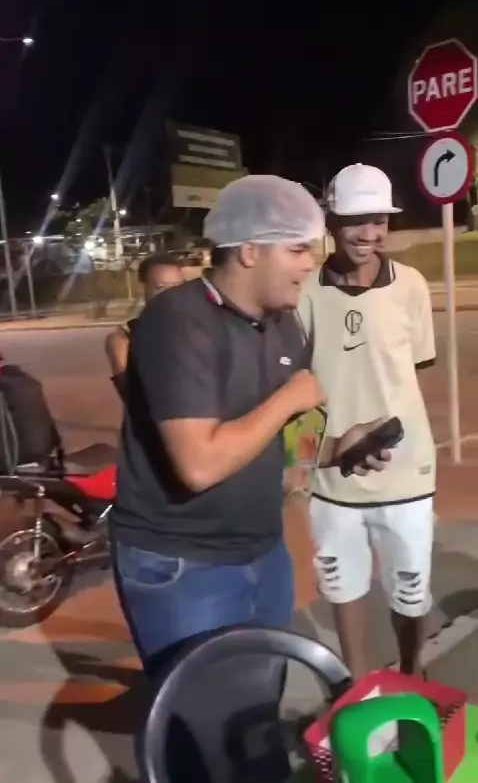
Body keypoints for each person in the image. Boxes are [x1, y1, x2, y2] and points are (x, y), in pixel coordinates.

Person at [110, 174, 390, 680]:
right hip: (183, 564)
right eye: (297, 249)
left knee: (258, 700)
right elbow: (199, 465)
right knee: (201, 713)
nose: (310, 263)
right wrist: (288, 399)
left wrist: (337, 448)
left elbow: (289, 445)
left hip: (263, 552)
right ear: (249, 251)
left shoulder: (283, 322)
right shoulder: (178, 321)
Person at [299, 163, 436, 680]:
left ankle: (413, 674)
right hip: (330, 475)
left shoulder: (412, 286)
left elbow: (412, 374)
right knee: (343, 588)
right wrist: (312, 453)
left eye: (378, 220)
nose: (368, 233)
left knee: (411, 592)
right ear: (331, 222)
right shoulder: (304, 291)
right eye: (355, 220)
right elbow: (296, 387)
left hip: (406, 474)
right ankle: (359, 687)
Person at [105, 252, 187, 396]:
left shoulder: (203, 327)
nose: (169, 294)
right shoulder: (124, 339)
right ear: (144, 287)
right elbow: (130, 394)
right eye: (160, 287)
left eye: (176, 287)